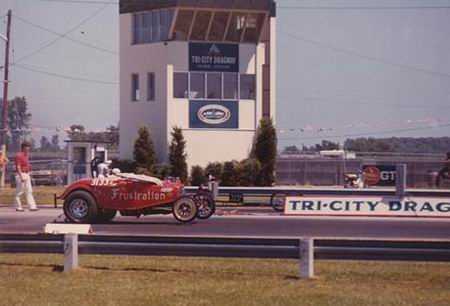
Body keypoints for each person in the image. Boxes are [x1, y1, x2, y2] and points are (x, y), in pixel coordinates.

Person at [14, 141, 38, 212]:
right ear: (23, 147)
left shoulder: (26, 155)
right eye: (27, 147)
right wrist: (21, 176)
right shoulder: (19, 155)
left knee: (29, 190)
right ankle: (18, 207)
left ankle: (32, 206)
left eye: (29, 147)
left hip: (27, 174)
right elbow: (18, 166)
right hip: (21, 174)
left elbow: (27, 165)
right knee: (19, 191)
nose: (28, 148)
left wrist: (29, 172)